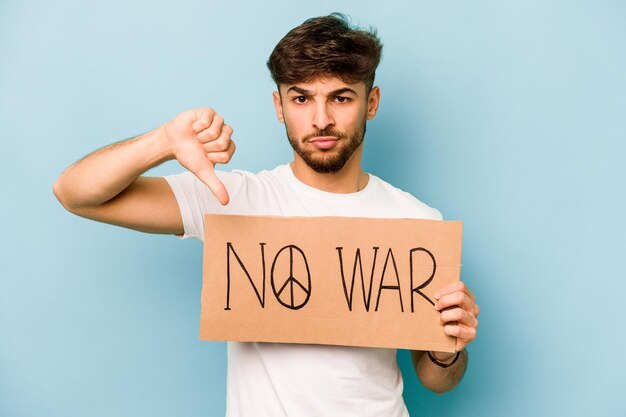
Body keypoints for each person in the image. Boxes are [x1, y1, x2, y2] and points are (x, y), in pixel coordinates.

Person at [53, 13, 479, 417]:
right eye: (301, 98)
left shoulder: (418, 221)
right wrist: (163, 141)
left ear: (371, 103)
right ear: (279, 106)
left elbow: (437, 381)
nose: (321, 120)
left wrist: (448, 349)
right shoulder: (231, 199)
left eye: (341, 97)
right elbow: (75, 194)